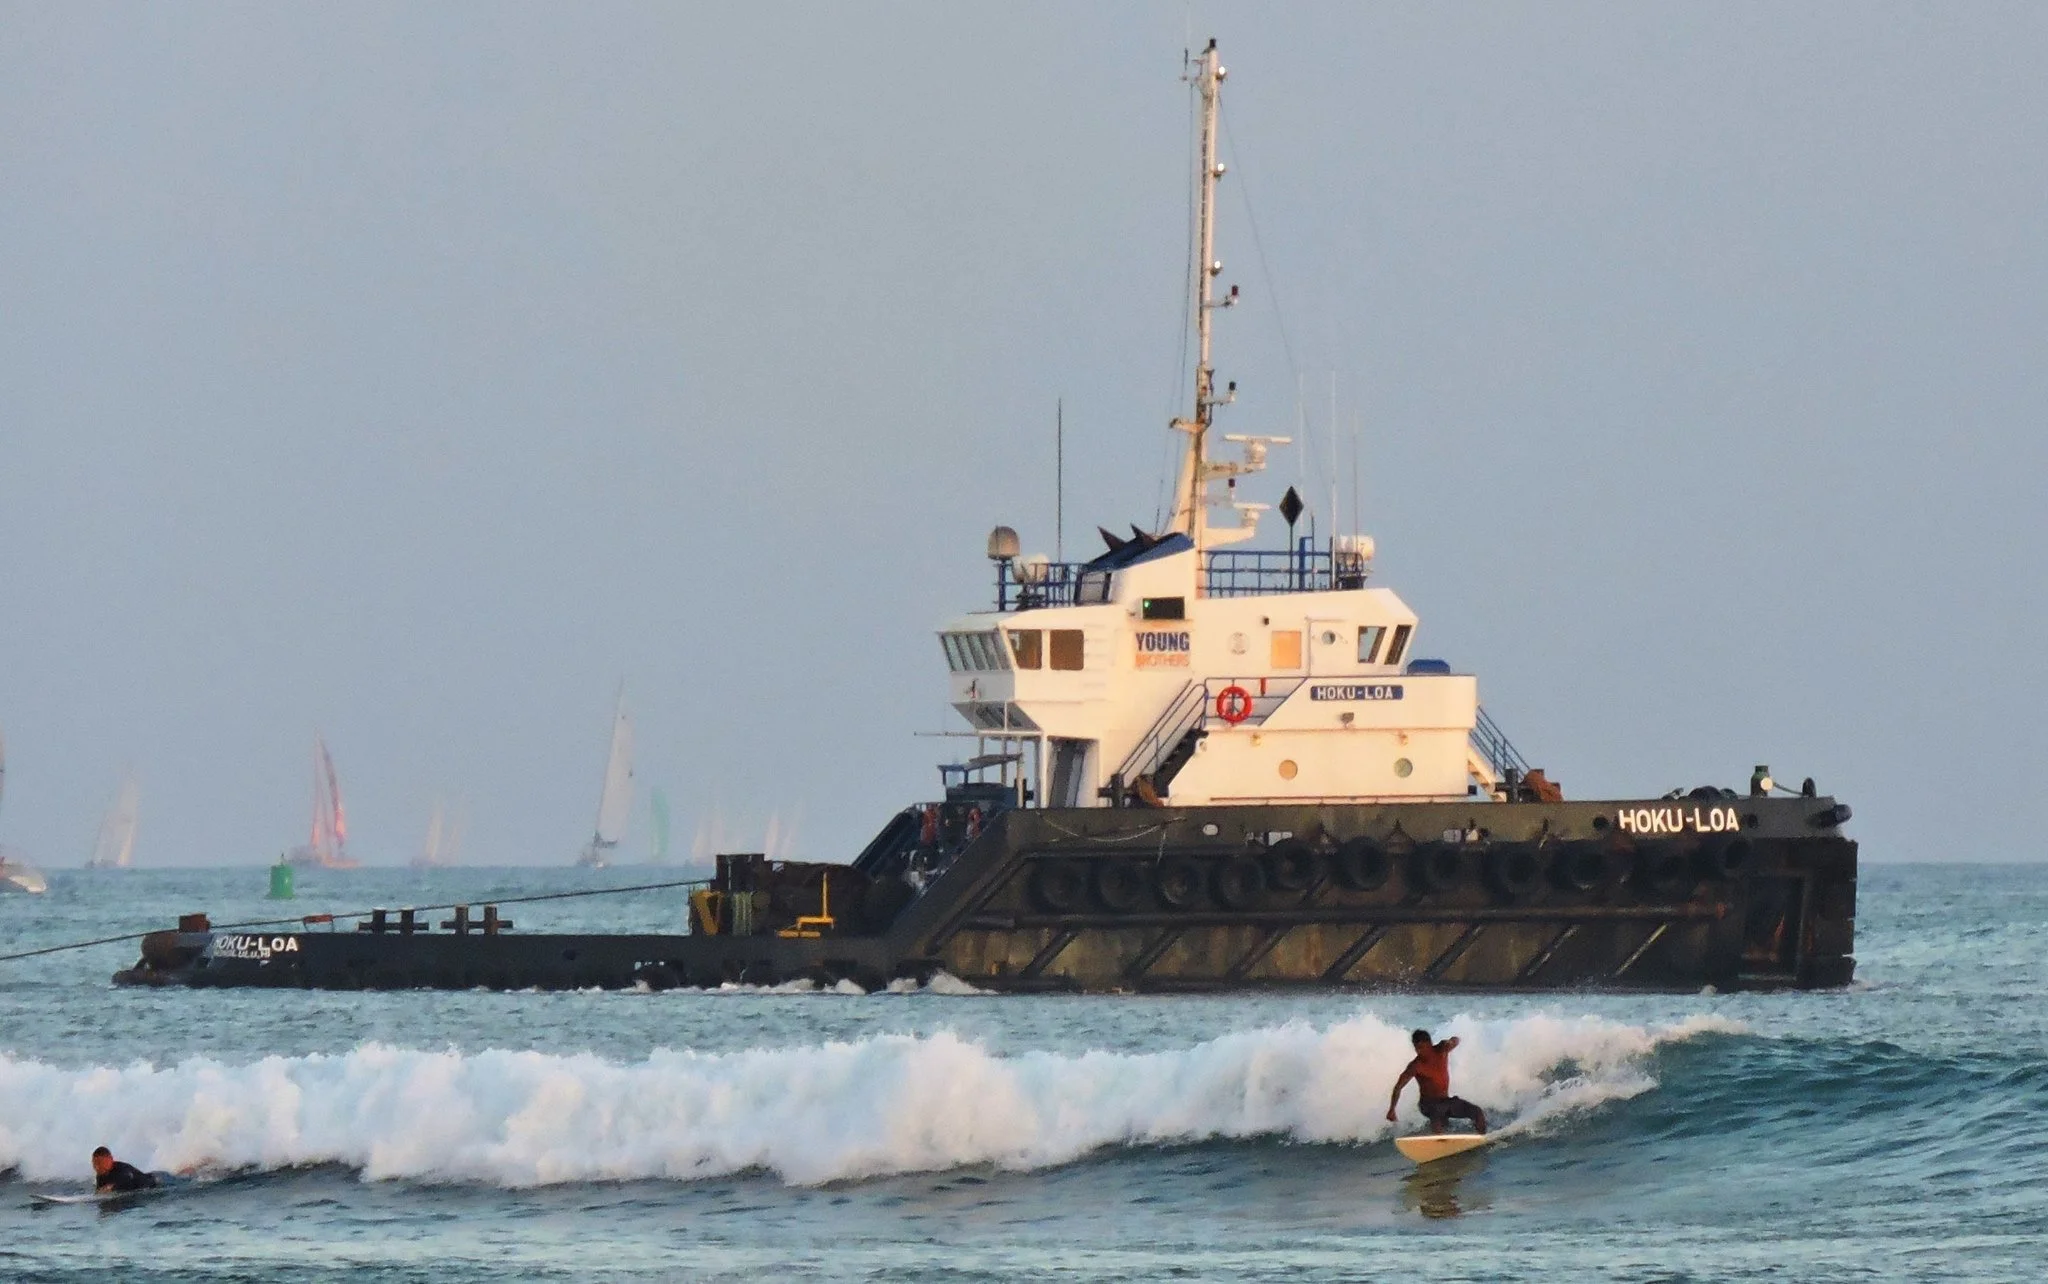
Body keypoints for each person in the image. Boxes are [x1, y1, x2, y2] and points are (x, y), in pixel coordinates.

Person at [1387, 1029, 1488, 1135]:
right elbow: (1398, 1087)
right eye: (1416, 1048)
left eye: (1421, 1048)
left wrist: (1452, 1041)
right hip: (1428, 1105)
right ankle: (1440, 1142)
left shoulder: (1442, 1049)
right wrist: (1392, 1109)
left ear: (1429, 1044)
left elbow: (1455, 1040)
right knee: (1437, 1111)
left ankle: (1481, 1137)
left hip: (1446, 1101)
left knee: (1477, 1112)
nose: (1419, 1052)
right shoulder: (1415, 1066)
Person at [92, 1146, 158, 1194]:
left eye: (100, 1163)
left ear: (111, 1159)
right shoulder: (100, 1175)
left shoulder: (122, 1168)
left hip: (157, 1181)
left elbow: (127, 1177)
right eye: (94, 1164)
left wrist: (112, 1187)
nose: (97, 1167)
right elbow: (98, 1195)